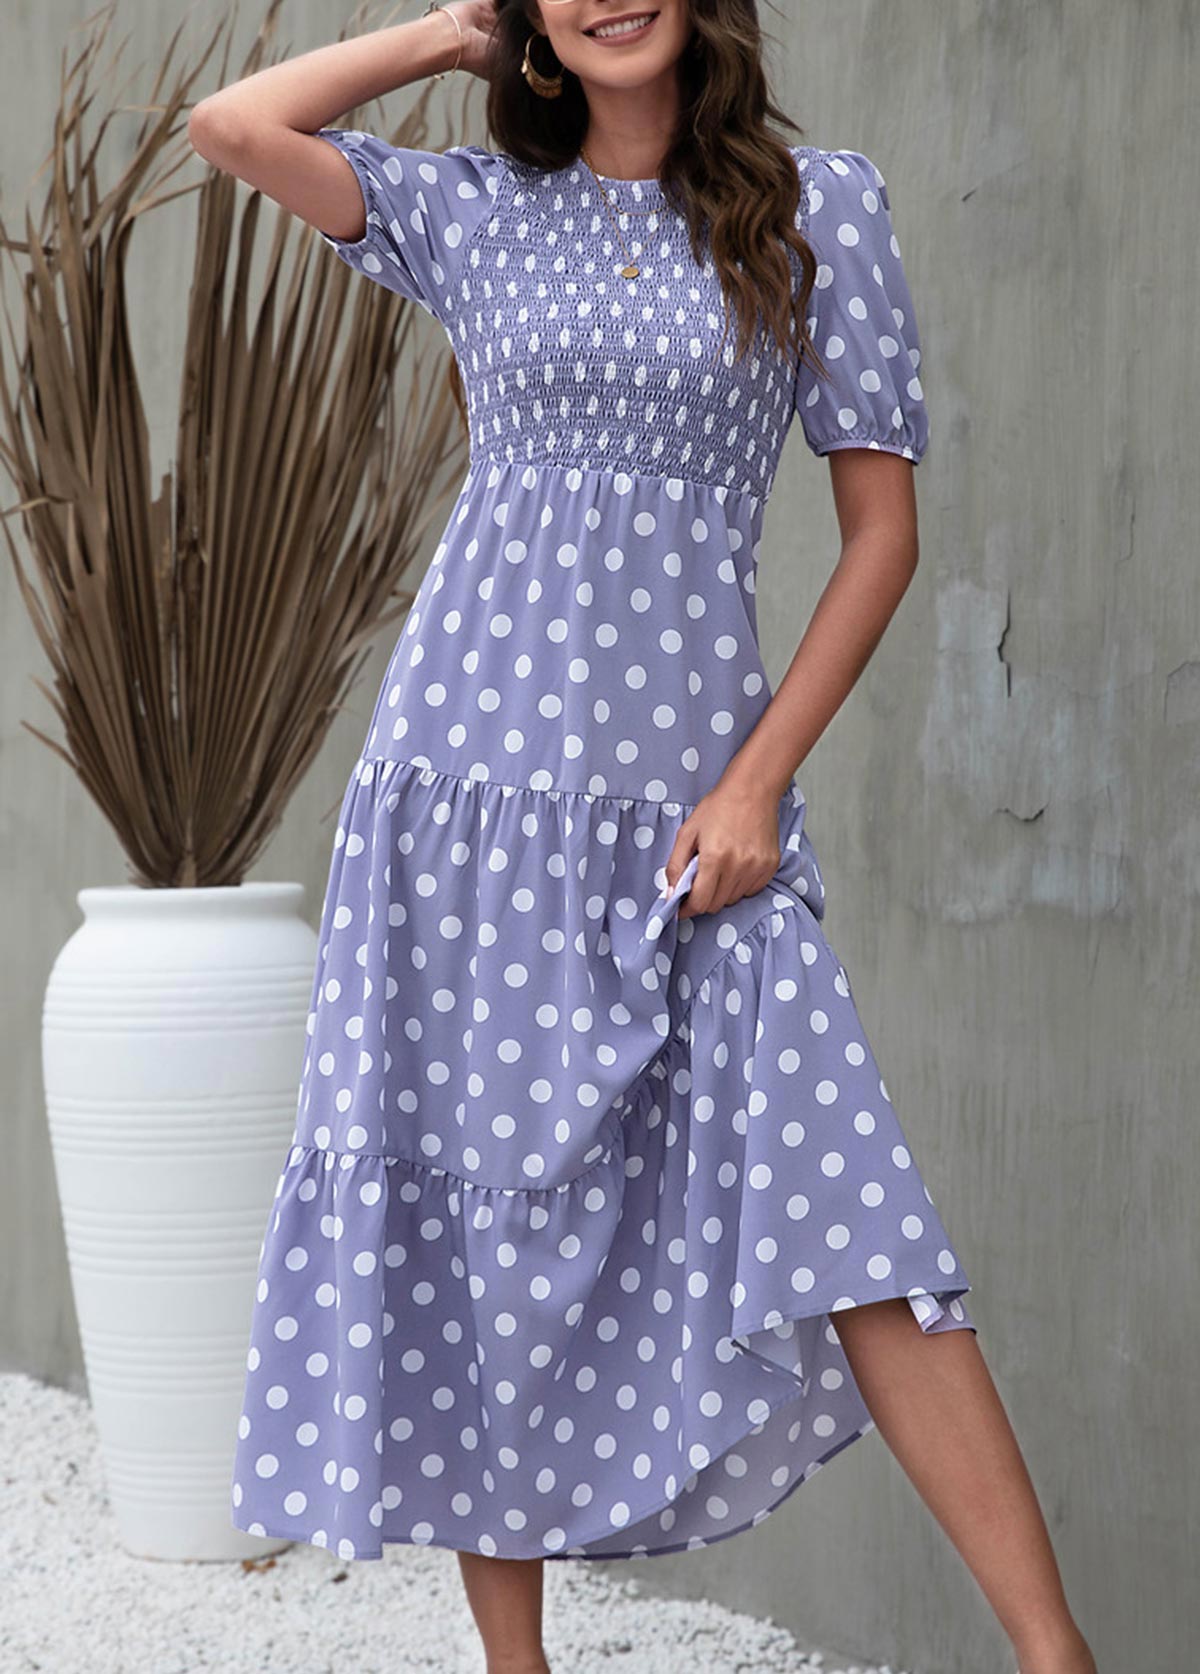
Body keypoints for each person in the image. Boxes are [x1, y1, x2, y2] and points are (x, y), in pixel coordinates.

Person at [189, 5, 1097, 1672]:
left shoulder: (818, 207)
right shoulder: (477, 209)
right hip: (459, 803)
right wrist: (452, 35)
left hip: (692, 817)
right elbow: (233, 128)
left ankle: (1057, 1656)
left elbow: (882, 535)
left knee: (855, 1218)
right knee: (479, 1210)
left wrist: (757, 783)